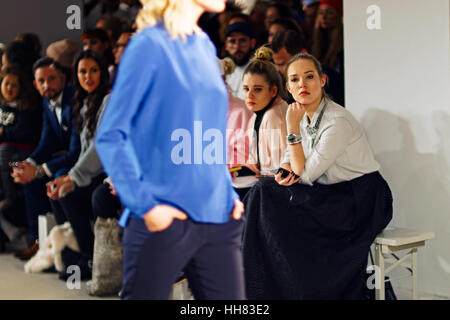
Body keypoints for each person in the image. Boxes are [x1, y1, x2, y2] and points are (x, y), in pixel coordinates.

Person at [95, 0, 245, 300]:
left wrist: (228, 194)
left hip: (218, 217)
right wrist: (146, 206)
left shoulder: (203, 44)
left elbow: (208, 131)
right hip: (163, 218)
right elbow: (110, 135)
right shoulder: (147, 45)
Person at [242, 53, 393, 299]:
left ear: (322, 80)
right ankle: (258, 287)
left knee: (265, 195)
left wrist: (291, 130)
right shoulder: (301, 115)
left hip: (361, 200)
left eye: (309, 77)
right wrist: (282, 174)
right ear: (288, 87)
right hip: (328, 195)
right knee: (265, 195)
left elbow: (306, 173)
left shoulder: (338, 121)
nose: (302, 84)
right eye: (295, 79)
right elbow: (287, 162)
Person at [46, 50, 110, 280]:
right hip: (90, 170)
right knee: (57, 188)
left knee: (68, 193)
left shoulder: (108, 99)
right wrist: (64, 176)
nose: (88, 76)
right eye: (82, 71)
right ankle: (73, 252)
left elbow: (100, 149)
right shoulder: (83, 103)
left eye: (94, 70)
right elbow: (80, 150)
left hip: (107, 172)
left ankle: (90, 256)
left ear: (102, 73)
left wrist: (72, 177)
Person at [11, 58, 81, 260]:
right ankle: (39, 241)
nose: (46, 85)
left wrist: (41, 170)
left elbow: (76, 152)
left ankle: (68, 249)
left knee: (56, 176)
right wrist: (29, 165)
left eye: (51, 79)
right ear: (35, 84)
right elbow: (46, 143)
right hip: (66, 159)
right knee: (29, 180)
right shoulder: (46, 102)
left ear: (63, 79)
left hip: (82, 162)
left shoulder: (74, 100)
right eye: (41, 81)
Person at [235, 46, 288, 200]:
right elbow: (254, 164)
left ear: (273, 91)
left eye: (257, 89)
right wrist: (236, 170)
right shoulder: (257, 115)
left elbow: (281, 171)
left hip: (278, 194)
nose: (249, 95)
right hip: (263, 187)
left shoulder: (274, 116)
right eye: (246, 89)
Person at [0, 67, 41, 244]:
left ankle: (10, 196)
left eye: (14, 85)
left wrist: (3, 132)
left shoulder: (25, 109)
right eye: (6, 84)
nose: (9, 88)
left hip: (21, 154)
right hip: (6, 154)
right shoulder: (2, 108)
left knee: (5, 151)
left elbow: (22, 133)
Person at [311, 0, 344, 105]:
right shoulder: (316, 44)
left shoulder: (343, 44)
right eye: (320, 12)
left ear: (339, 15)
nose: (324, 17)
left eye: (329, 12)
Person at [223, 22, 256, 100]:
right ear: (226, 45)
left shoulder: (262, 71)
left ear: (252, 43)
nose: (237, 46)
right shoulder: (220, 71)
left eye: (242, 40)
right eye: (232, 41)